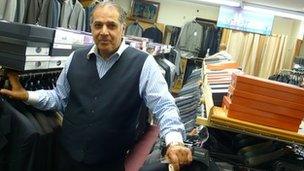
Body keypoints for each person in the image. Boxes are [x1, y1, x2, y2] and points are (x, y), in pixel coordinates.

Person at [0, 2, 192, 171]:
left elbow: (163, 105)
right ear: (91, 27)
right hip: (66, 157)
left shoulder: (143, 63)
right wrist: (27, 95)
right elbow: (59, 98)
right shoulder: (75, 58)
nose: (104, 32)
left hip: (109, 162)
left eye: (111, 25)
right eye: (98, 25)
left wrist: (174, 141)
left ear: (123, 29)